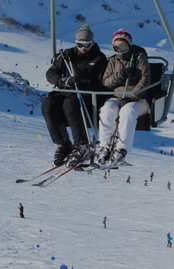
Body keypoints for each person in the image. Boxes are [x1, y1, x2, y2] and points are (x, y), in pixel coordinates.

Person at [42, 25, 108, 166]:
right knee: (48, 104)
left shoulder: (99, 58)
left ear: (93, 43)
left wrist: (84, 84)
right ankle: (63, 142)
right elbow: (51, 73)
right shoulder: (67, 56)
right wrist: (63, 81)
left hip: (87, 97)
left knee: (70, 104)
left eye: (87, 44)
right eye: (79, 44)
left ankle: (82, 144)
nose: (83, 48)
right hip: (67, 91)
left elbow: (103, 83)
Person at [95, 29, 151, 167]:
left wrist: (132, 95)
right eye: (116, 47)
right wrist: (120, 76)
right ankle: (104, 147)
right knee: (107, 109)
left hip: (139, 100)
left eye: (123, 46)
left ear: (129, 45)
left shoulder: (139, 57)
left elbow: (146, 79)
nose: (120, 50)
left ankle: (121, 149)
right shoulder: (113, 61)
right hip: (118, 97)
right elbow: (106, 82)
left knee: (128, 111)